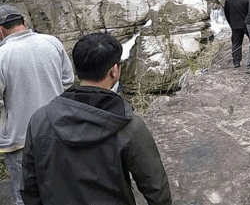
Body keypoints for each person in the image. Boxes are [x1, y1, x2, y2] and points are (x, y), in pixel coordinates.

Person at [20, 32, 172, 205]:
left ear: (76, 70)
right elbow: (156, 188)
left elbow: (29, 186)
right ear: (114, 70)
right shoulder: (129, 126)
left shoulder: (39, 120)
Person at [0, 5, 74, 205]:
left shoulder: (1, 55)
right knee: (62, 189)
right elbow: (68, 82)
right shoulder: (52, 42)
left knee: (25, 196)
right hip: (57, 131)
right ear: (24, 23)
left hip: (20, 140)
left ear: (0, 30)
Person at [224, 0, 250, 68]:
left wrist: (231, 23)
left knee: (236, 44)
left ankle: (236, 62)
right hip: (246, 24)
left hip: (234, 24)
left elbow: (226, 13)